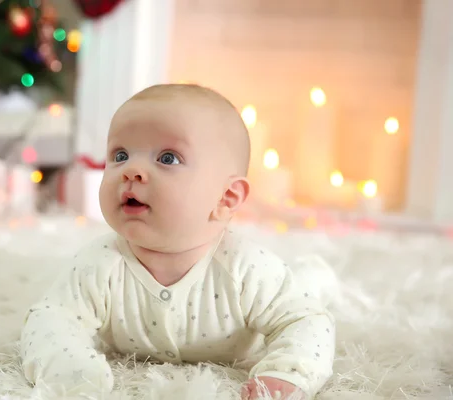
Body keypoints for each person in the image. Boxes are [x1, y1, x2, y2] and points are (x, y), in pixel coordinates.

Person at [20, 84, 336, 399]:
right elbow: (51, 318)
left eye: (168, 158)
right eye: (120, 155)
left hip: (266, 303)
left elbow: (304, 321)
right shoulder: (99, 263)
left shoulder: (247, 267)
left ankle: (315, 275)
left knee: (305, 294)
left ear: (225, 198)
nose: (132, 171)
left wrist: (288, 373)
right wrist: (71, 371)